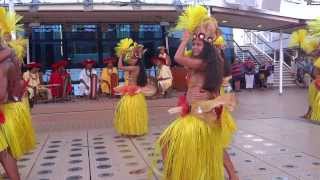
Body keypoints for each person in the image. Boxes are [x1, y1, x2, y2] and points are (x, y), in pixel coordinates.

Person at [157, 5, 238, 180]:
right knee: (213, 145)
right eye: (194, 43)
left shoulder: (204, 63)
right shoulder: (200, 63)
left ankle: (173, 175)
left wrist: (185, 39)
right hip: (195, 111)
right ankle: (231, 175)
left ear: (207, 47)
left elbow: (178, 58)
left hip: (201, 113)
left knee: (211, 145)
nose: (194, 46)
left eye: (198, 44)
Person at [113, 38, 149, 136]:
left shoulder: (135, 67)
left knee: (129, 111)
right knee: (131, 112)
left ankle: (132, 130)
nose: (131, 60)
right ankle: (132, 129)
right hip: (135, 92)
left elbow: (120, 66)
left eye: (133, 58)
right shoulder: (138, 67)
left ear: (137, 60)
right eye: (130, 58)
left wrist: (121, 56)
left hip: (133, 93)